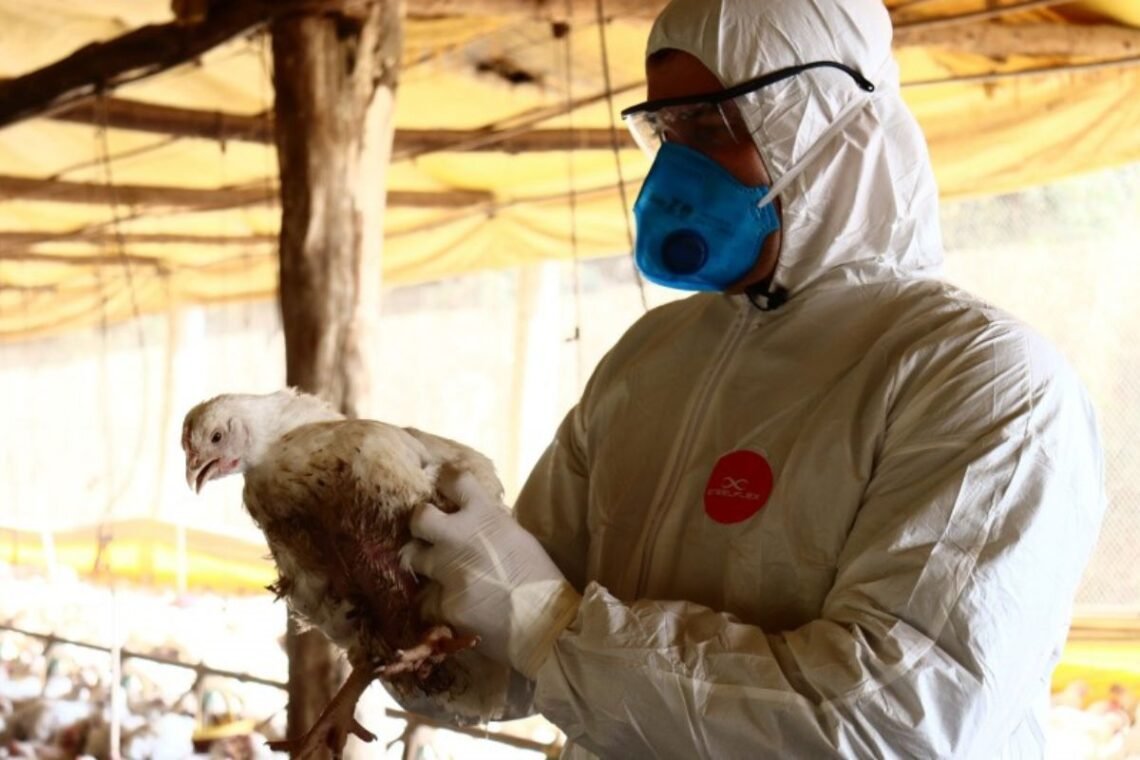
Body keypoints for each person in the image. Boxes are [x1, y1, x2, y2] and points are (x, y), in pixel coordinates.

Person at [401, 0, 1107, 756]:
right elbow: (512, 656)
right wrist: (404, 611)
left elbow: (891, 724)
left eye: (712, 128)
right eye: (665, 132)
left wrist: (550, 628)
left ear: (832, 132)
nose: (676, 171)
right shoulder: (648, 361)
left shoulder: (980, 378)